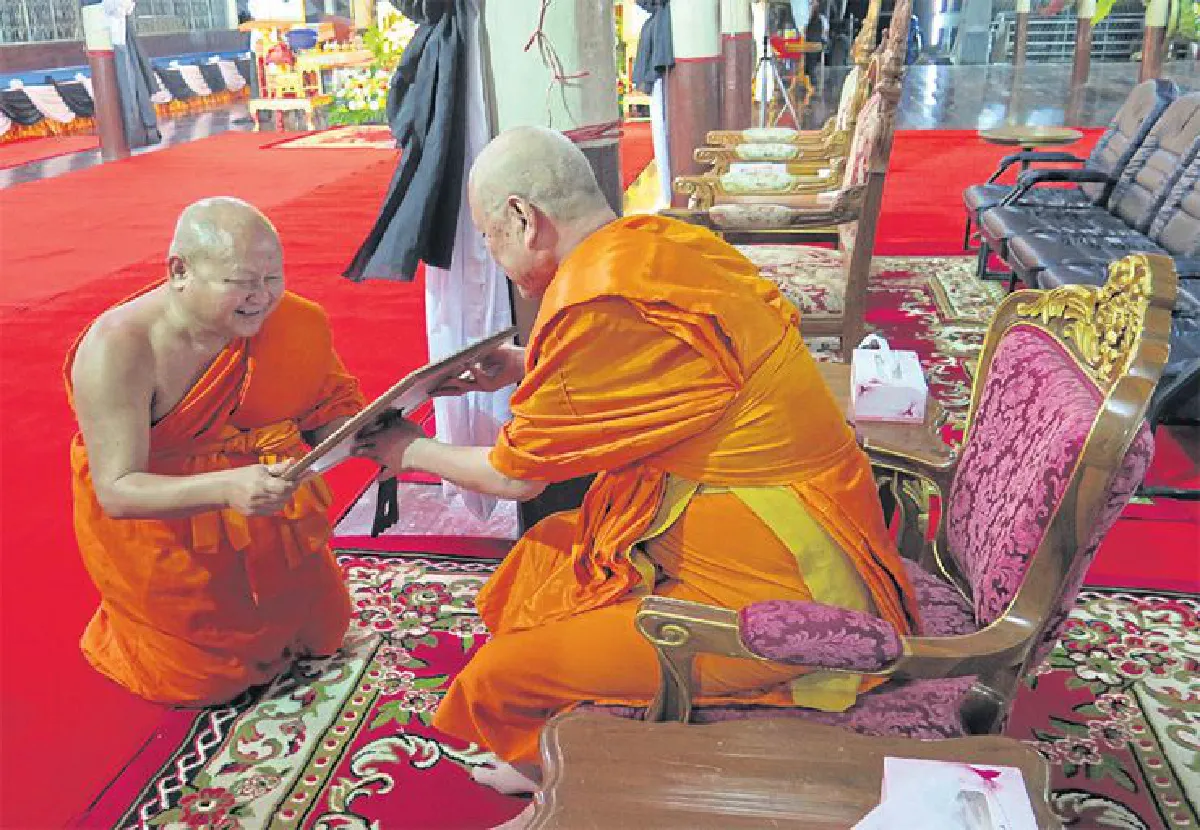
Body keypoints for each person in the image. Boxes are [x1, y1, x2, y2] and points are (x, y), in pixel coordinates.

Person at [353, 126, 921, 796]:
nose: (491, 250)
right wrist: (518, 364)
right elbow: (670, 370)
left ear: (522, 218)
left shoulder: (596, 297)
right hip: (778, 521)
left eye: (487, 234)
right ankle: (574, 737)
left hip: (784, 589)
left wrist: (405, 449)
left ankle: (572, 784)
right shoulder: (661, 243)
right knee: (545, 553)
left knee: (497, 677)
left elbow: (516, 475)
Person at [66, 197, 364, 706]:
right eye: (243, 282)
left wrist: (392, 417)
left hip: (268, 511)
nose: (262, 297)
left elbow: (325, 413)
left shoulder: (293, 321)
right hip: (171, 526)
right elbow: (116, 490)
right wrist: (227, 487)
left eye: (273, 279)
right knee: (203, 680)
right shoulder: (119, 347)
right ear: (179, 271)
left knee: (325, 629)